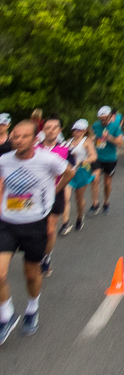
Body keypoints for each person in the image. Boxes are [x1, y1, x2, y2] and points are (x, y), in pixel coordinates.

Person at [0, 120, 74, 341]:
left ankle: (32, 308)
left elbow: (69, 173)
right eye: (15, 136)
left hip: (35, 224)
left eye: (24, 137)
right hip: (7, 222)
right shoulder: (4, 160)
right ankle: (7, 315)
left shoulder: (48, 159)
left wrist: (54, 190)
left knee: (31, 274)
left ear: (35, 139)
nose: (18, 140)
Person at [36, 118, 70, 274]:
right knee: (35, 229)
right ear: (43, 130)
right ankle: (35, 253)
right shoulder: (34, 148)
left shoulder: (65, 149)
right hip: (34, 195)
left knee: (50, 231)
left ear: (59, 130)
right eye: (47, 128)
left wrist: (55, 189)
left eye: (54, 128)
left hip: (56, 193)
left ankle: (46, 257)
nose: (50, 130)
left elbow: (70, 173)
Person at [90, 106, 123, 215]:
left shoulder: (115, 126)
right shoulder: (95, 125)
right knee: (95, 178)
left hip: (110, 158)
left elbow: (120, 143)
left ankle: (106, 201)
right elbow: (91, 136)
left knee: (107, 182)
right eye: (101, 119)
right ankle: (95, 204)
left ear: (109, 117)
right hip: (97, 156)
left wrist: (109, 137)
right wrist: (91, 139)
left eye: (105, 119)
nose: (103, 121)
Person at [65, 120, 97, 232]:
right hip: (69, 172)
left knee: (78, 198)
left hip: (82, 171)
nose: (76, 132)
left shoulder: (86, 142)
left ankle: (79, 216)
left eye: (79, 130)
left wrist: (82, 161)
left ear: (84, 131)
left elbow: (93, 157)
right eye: (74, 130)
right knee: (65, 198)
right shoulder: (68, 142)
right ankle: (66, 223)